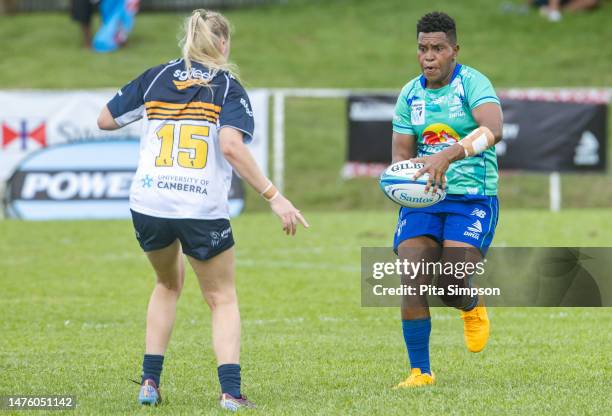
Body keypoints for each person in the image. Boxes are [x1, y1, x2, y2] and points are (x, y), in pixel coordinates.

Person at [97, 9, 308, 410]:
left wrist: (153, 106)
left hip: (150, 202)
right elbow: (230, 146)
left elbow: (105, 119)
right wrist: (273, 195)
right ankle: (230, 392)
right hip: (199, 206)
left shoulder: (156, 77)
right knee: (221, 297)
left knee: (167, 284)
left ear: (187, 41)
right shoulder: (228, 87)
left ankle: (149, 383)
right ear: (223, 44)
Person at [390, 11, 503, 388]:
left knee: (450, 283)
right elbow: (400, 156)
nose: (429, 56)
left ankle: (470, 305)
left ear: (454, 50)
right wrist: (405, 176)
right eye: (423, 48)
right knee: (412, 276)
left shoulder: (472, 83)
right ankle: (420, 372)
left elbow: (493, 129)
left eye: (438, 48)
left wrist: (447, 154)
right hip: (425, 199)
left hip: (472, 198)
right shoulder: (410, 93)